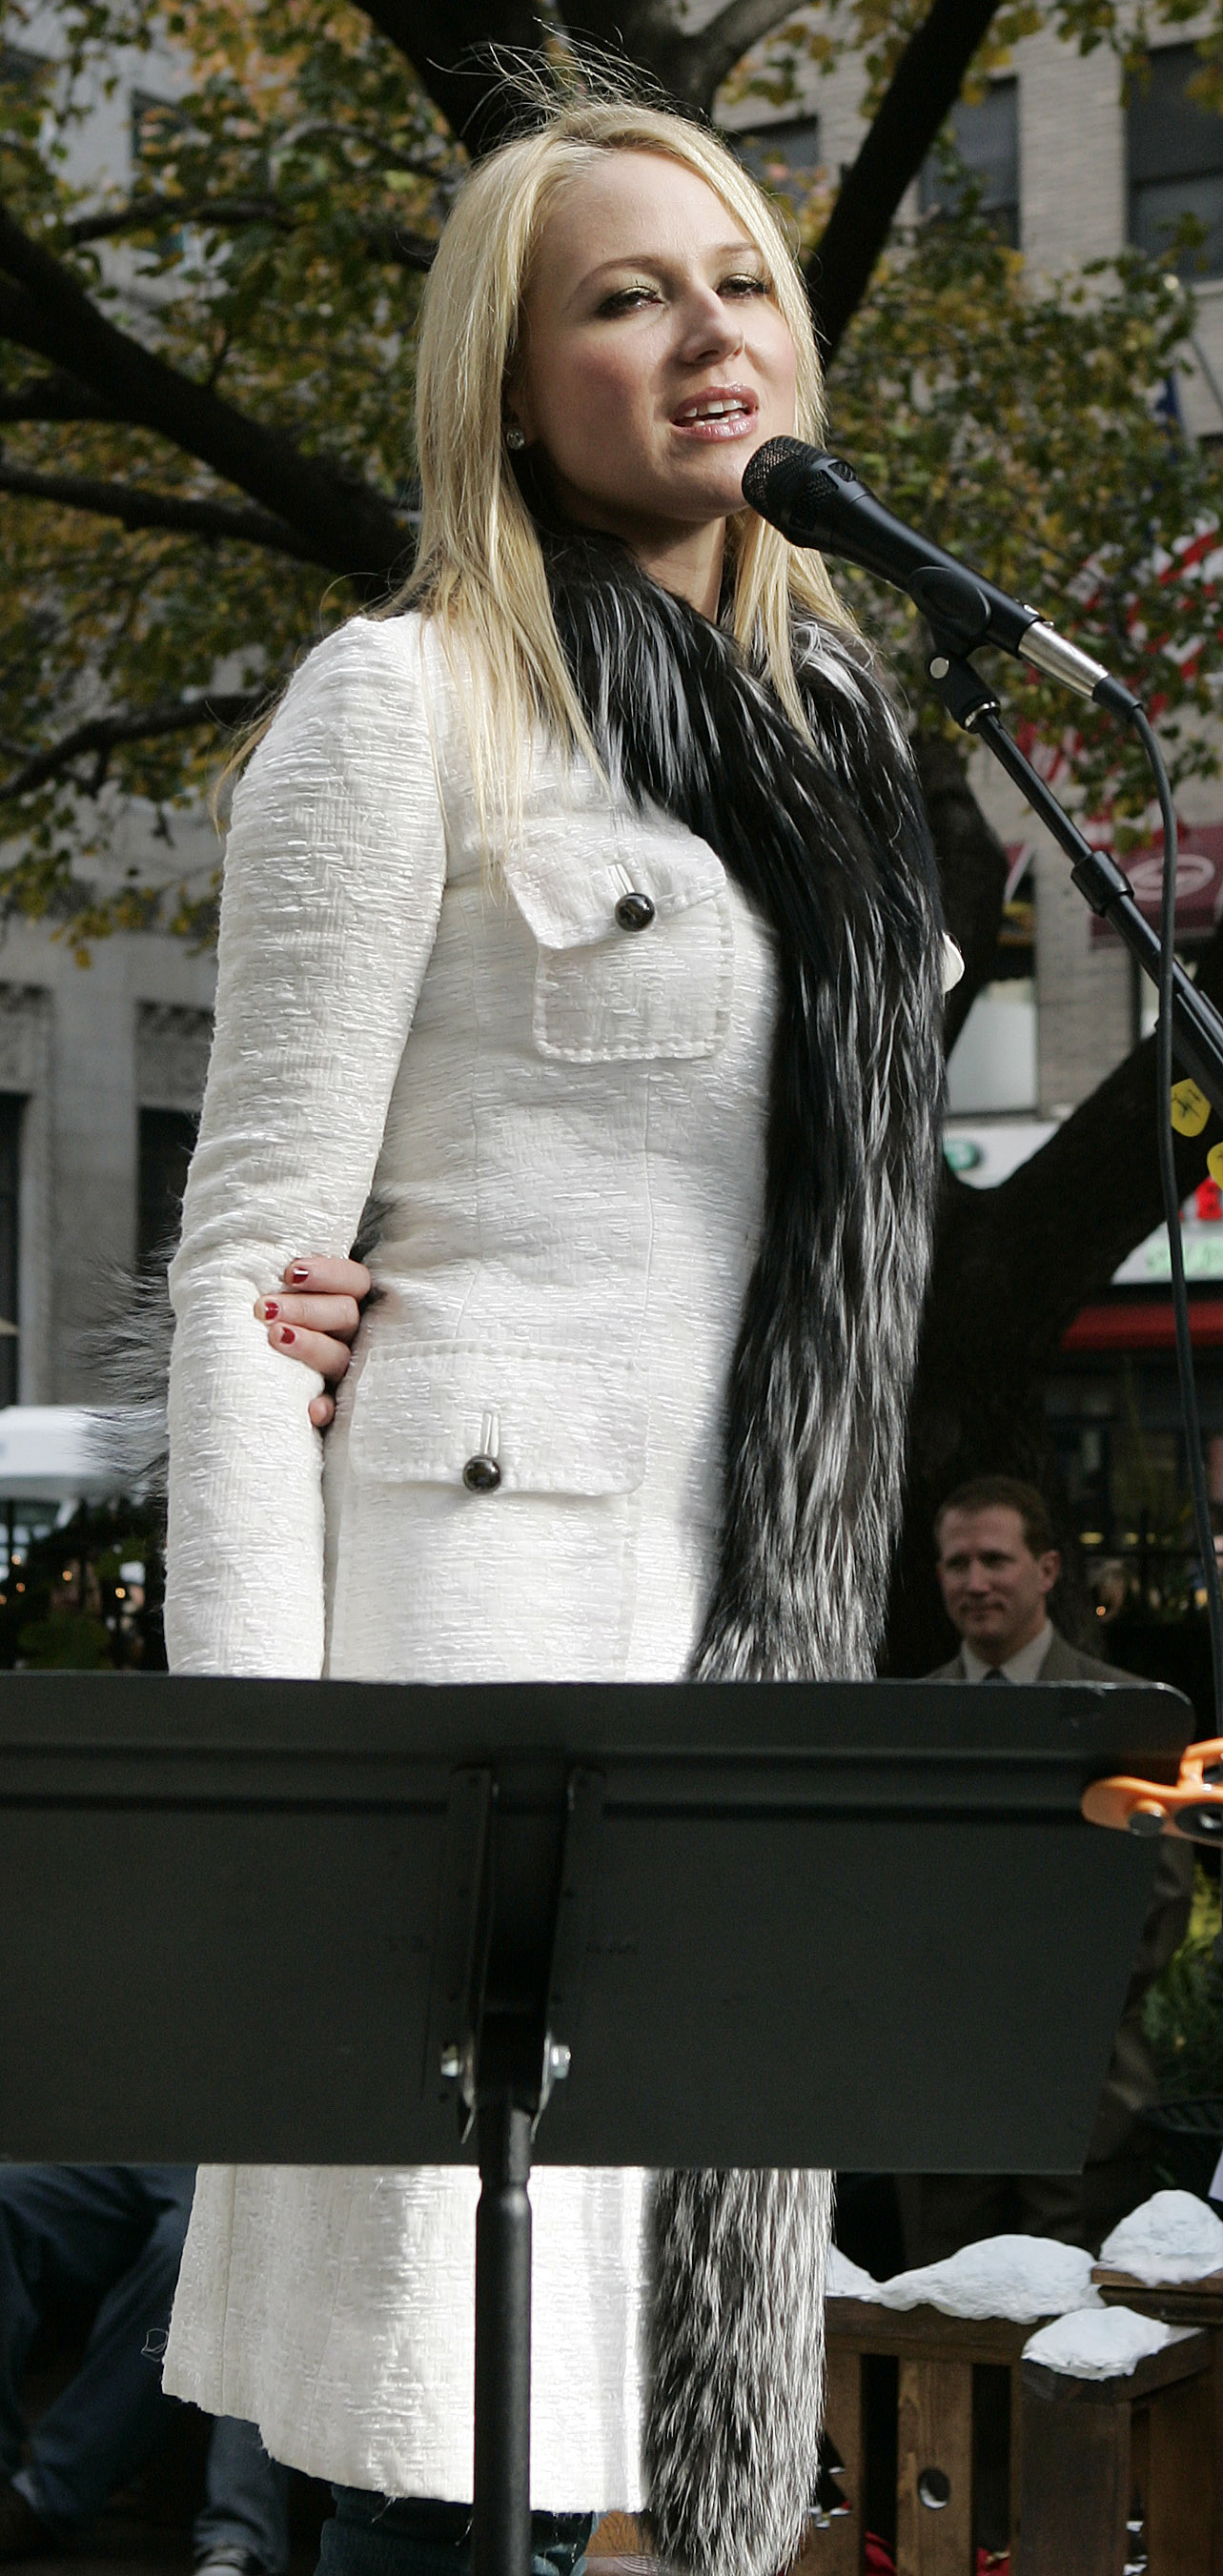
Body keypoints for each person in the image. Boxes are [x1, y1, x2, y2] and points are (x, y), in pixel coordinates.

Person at [160, 86, 954, 2576]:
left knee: (608, 2416)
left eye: (734, 281)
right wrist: (255, 1787)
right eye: (622, 295)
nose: (704, 329)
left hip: (746, 1637)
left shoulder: (847, 754)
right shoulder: (402, 702)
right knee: (438, 2432)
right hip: (463, 1636)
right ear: (507, 391)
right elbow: (247, 1256)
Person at [903, 1473, 1194, 2262]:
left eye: (994, 1559)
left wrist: (1041, 2007)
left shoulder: (1128, 1713)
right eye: (956, 1562)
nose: (975, 1581)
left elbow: (1160, 1897)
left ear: (1047, 1569)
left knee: (1078, 2321)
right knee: (940, 2319)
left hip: (1085, 2095)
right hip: (942, 2102)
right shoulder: (903, 1721)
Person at [0, 2166, 288, 2576]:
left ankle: (236, 2542)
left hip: (258, 2158)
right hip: (147, 2148)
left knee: (202, 2236)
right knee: (7, 2194)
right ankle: (23, 2491)